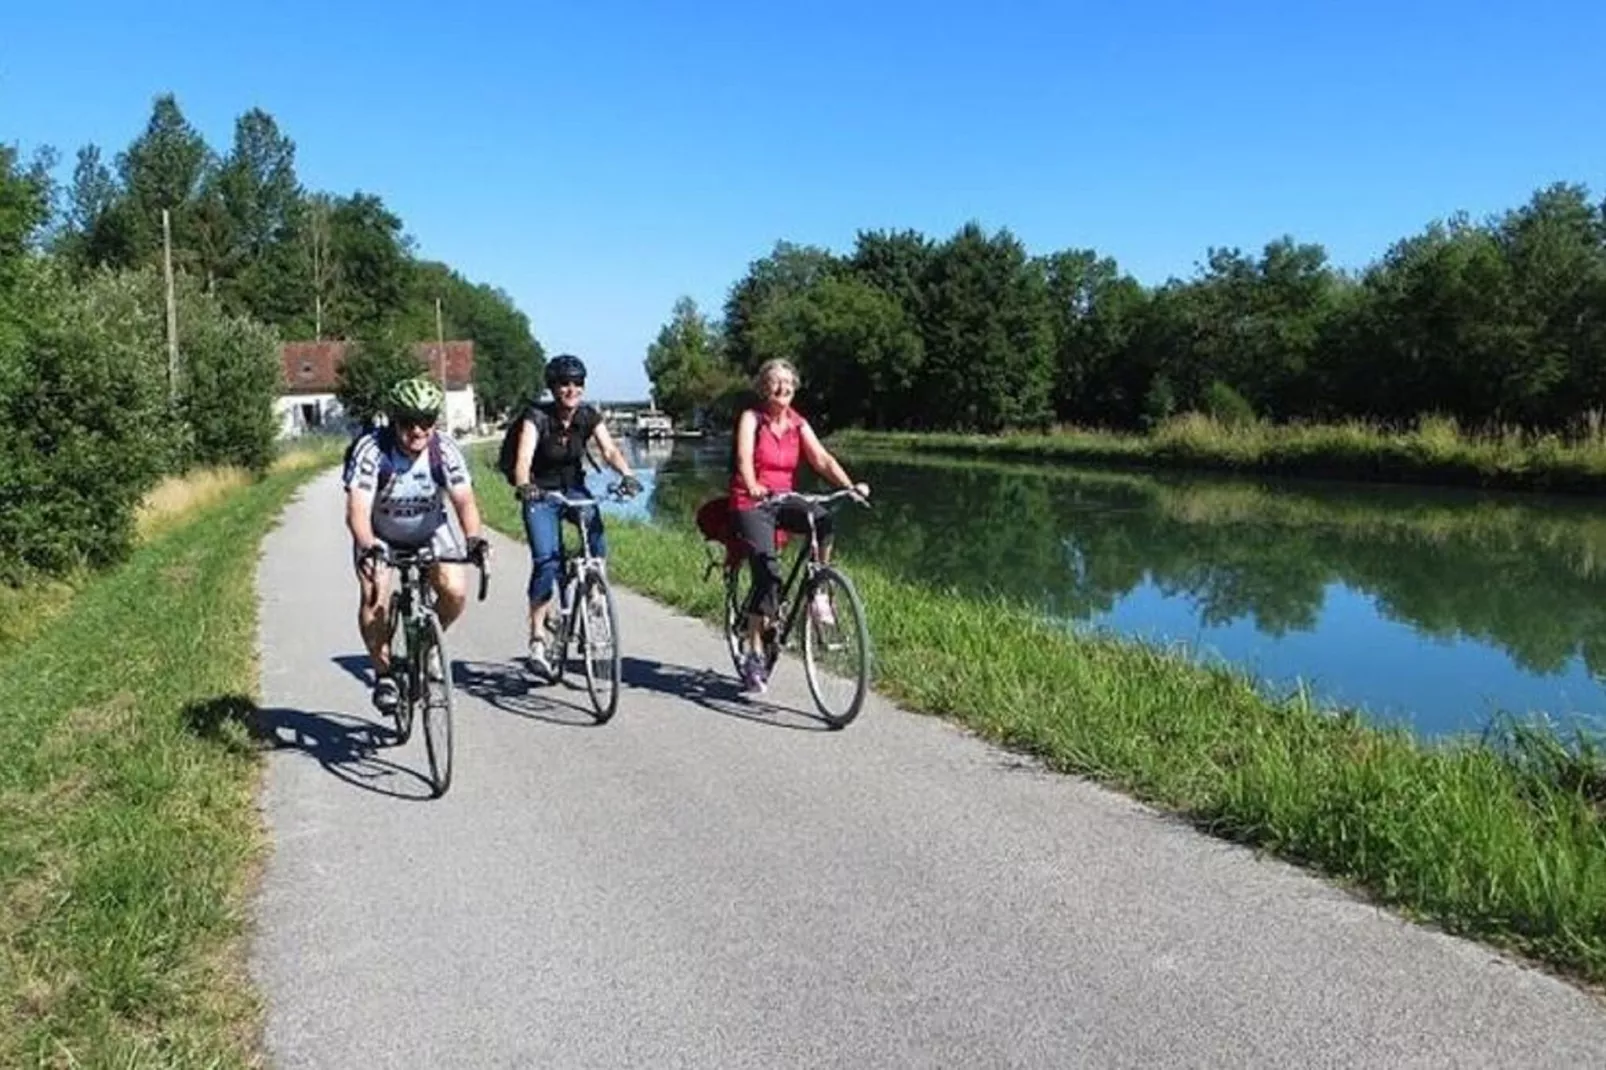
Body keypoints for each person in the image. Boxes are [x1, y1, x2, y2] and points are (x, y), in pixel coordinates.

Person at [344, 376, 490, 712]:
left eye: (426, 422)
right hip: (380, 534)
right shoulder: (372, 451)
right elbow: (357, 511)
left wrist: (473, 539)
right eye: (409, 422)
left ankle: (428, 644)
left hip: (429, 530)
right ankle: (383, 675)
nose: (418, 431)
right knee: (375, 594)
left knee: (455, 591)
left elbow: (464, 501)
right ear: (395, 420)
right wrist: (368, 545)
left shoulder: (444, 450)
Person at [729, 358, 869, 694]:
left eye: (789, 383)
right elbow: (743, 459)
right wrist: (751, 483)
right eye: (776, 382)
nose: (783, 388)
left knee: (823, 518)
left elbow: (821, 459)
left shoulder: (797, 423)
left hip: (785, 497)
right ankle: (753, 653)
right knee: (768, 573)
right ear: (764, 387)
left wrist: (850, 486)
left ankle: (819, 587)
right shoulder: (753, 419)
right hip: (753, 501)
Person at [510, 354, 642, 677]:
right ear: (553, 388)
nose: (571, 390)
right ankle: (538, 637)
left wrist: (626, 474)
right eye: (564, 384)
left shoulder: (588, 416)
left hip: (574, 490)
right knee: (546, 560)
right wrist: (525, 484)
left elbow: (608, 450)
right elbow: (523, 457)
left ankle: (593, 590)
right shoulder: (536, 417)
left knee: (596, 543)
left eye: (577, 384)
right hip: (541, 493)